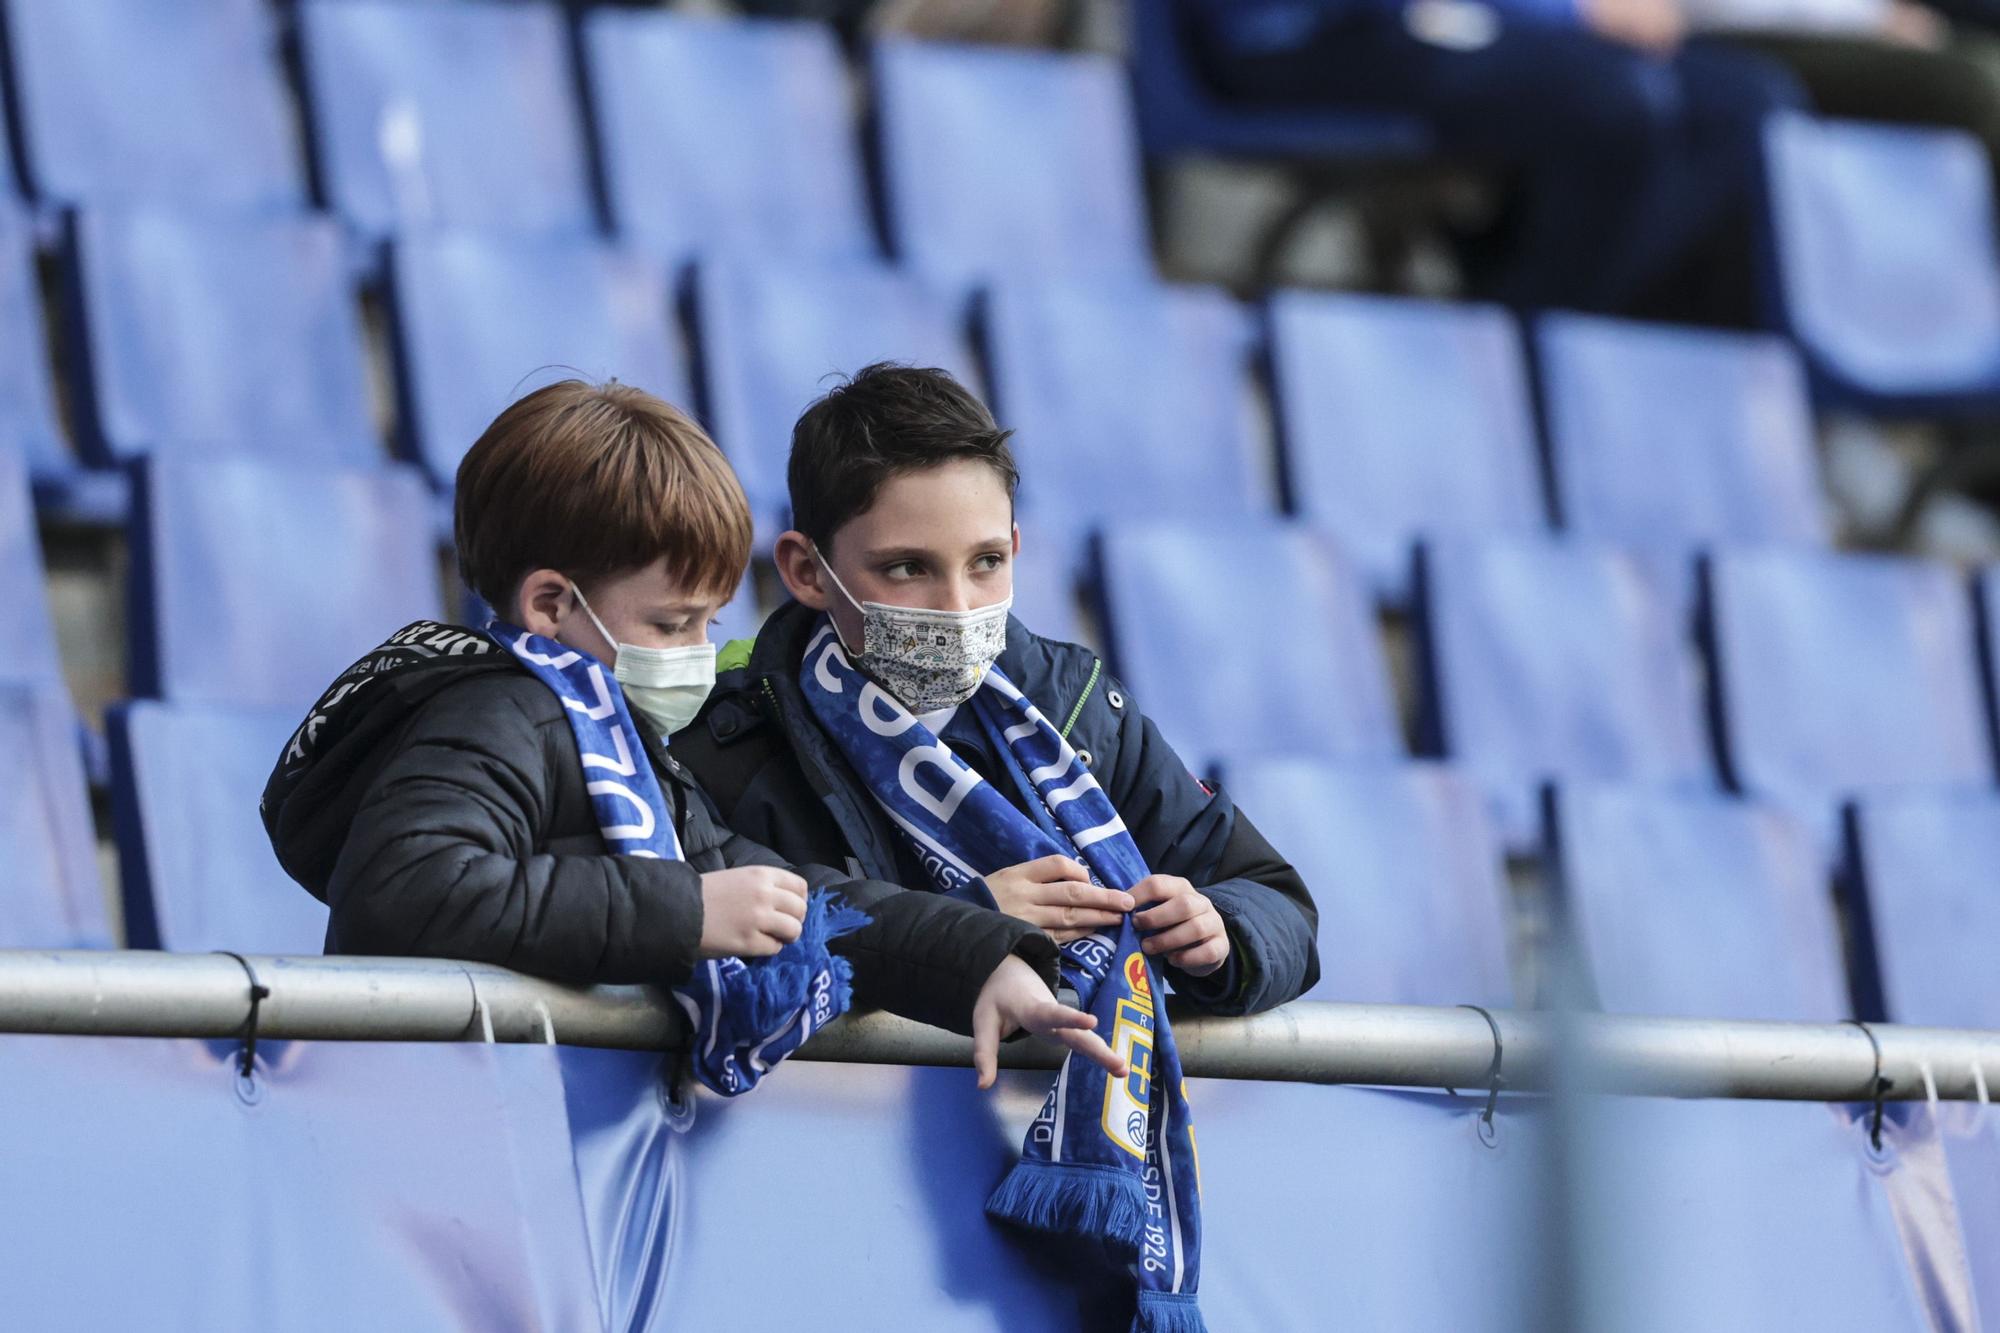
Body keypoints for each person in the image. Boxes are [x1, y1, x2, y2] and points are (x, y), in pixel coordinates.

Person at [259, 379, 1123, 1088]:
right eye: (674, 624)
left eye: (710, 623)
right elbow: (406, 892)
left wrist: (984, 956)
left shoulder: (616, 741)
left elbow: (798, 899)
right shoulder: (495, 713)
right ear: (552, 606)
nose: (702, 656)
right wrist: (688, 910)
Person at [675, 364, 1320, 1017]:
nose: (957, 606)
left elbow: (1273, 897)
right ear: (807, 571)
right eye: (908, 567)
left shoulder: (1077, 708)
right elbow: (735, 948)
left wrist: (1221, 932)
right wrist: (965, 925)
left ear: (1014, 547)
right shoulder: (733, 744)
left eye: (985, 562)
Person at [1182, 0, 1808, 316]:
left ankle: (1563, 321)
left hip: (1465, 22)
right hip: (1311, 29)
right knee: (1615, 99)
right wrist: (1569, 12)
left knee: (1750, 104)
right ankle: (1523, 349)